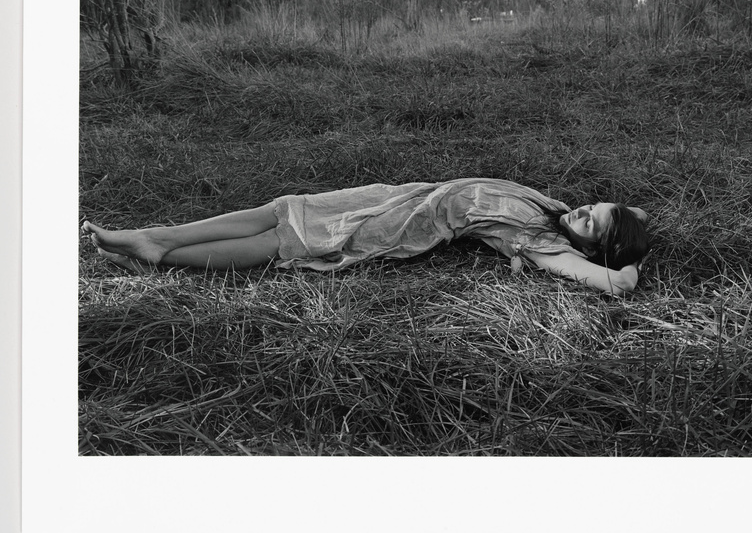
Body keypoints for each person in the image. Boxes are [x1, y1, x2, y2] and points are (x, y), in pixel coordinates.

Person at [82, 178, 649, 295]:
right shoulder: (550, 210)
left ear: (590, 246)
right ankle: (155, 236)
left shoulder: (544, 241)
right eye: (590, 206)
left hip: (400, 223)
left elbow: (608, 280)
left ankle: (163, 257)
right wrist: (624, 220)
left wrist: (624, 270)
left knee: (288, 241)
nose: (580, 211)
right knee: (285, 207)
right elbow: (633, 215)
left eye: (589, 223)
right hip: (395, 194)